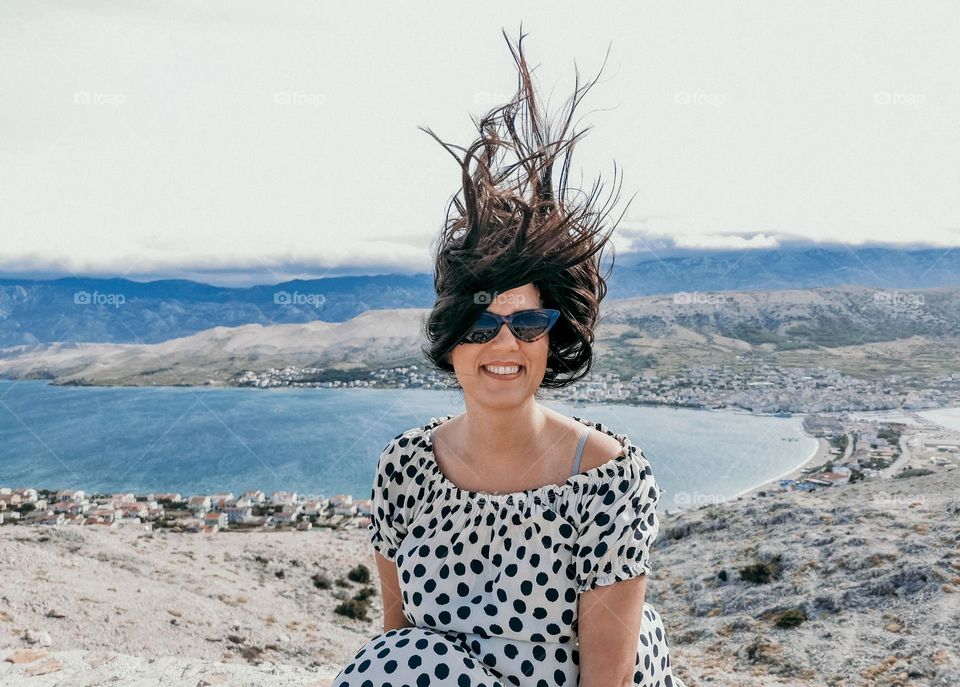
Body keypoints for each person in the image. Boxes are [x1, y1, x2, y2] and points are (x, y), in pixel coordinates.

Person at [333, 28, 684, 687]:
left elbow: (606, 679)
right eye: (481, 322)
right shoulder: (403, 470)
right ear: (451, 335)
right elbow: (395, 642)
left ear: (555, 337)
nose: (503, 342)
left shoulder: (608, 481)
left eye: (527, 321)